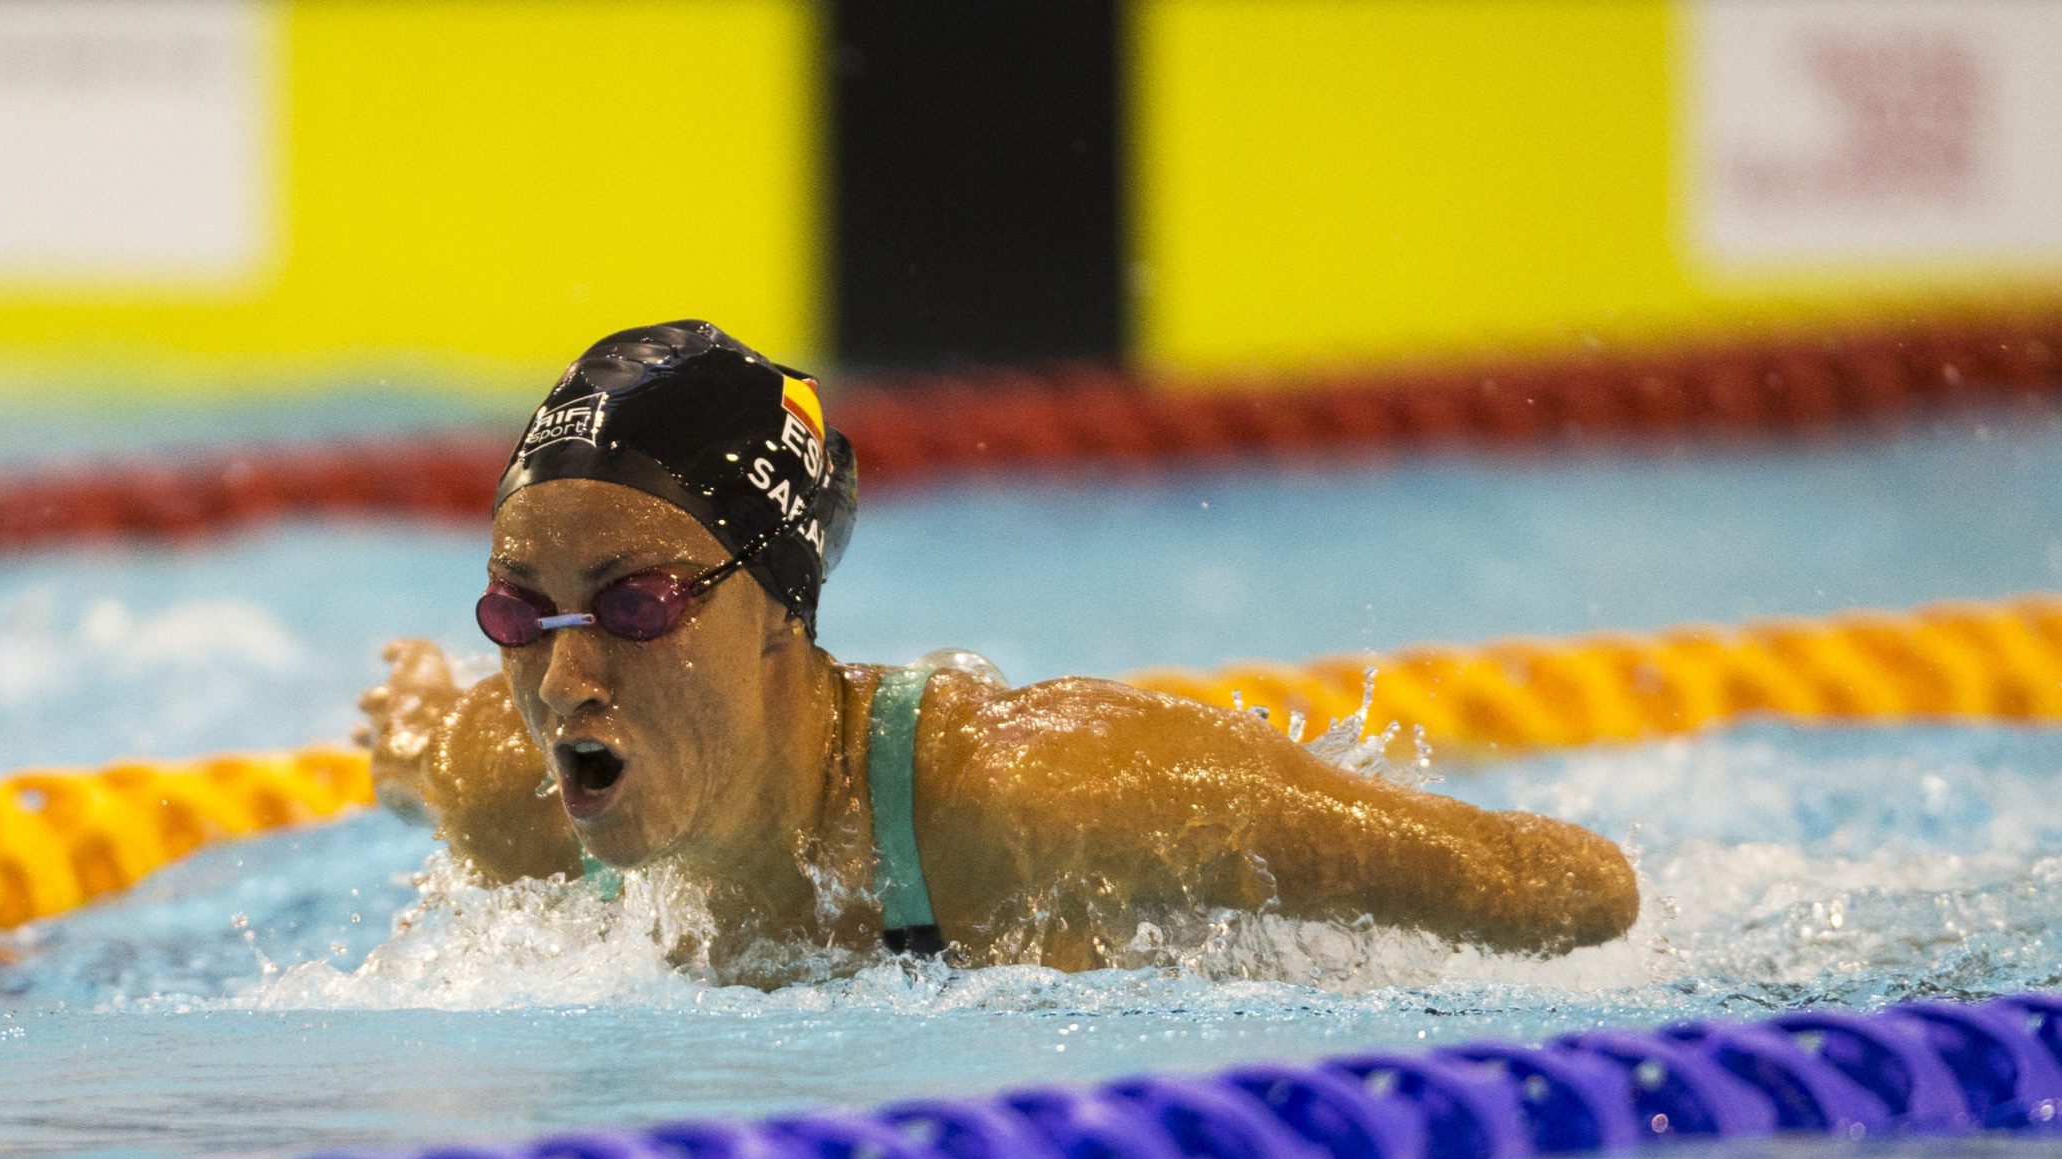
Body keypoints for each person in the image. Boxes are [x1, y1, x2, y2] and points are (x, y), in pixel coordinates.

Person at [357, 321, 1638, 977]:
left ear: (782, 609)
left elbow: (1565, 892)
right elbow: (414, 741)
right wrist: (413, 708)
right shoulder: (511, 785)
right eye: (520, 613)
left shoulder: (1045, 798)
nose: (564, 681)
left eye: (634, 604)